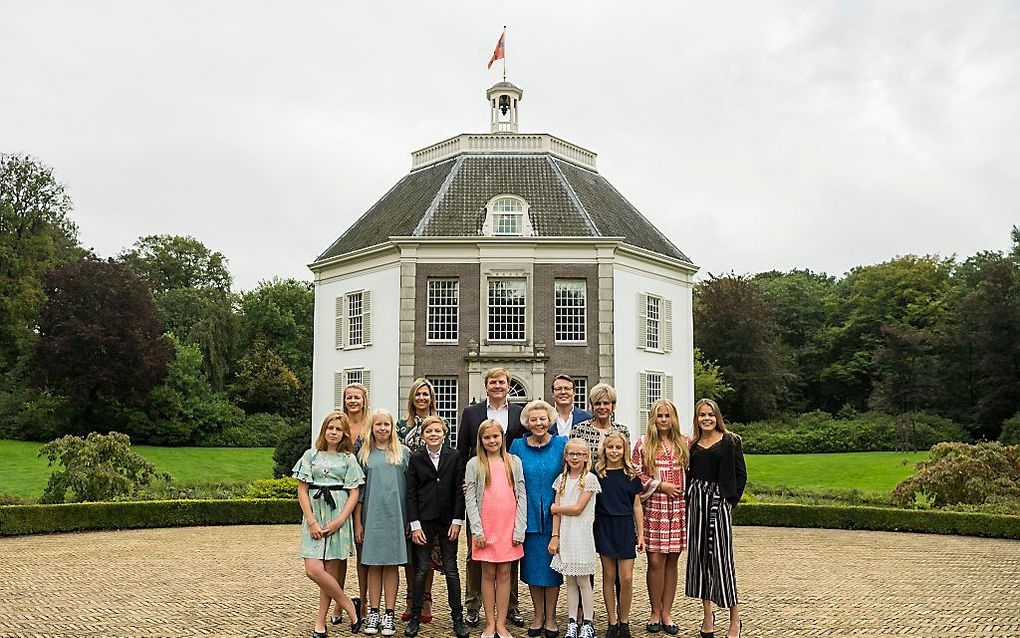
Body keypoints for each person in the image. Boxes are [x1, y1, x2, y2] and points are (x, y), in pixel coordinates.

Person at [457, 368, 527, 628]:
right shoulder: (472, 413)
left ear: (508, 385)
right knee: (476, 554)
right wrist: (466, 483)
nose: (498, 386)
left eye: (502, 382)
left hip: (507, 493)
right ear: (486, 386)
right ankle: (473, 605)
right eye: (493, 382)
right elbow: (463, 448)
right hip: (480, 492)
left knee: (510, 556)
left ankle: (511, 606)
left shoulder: (521, 413)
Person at [293, 411, 365, 638]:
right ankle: (350, 606)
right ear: (324, 430)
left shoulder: (348, 459)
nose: (333, 432)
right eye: (330, 428)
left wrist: (341, 520)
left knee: (331, 573)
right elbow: (302, 490)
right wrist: (312, 521)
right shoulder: (310, 455)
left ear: (344, 433)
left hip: (338, 515)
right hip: (315, 515)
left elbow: (354, 493)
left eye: (338, 429)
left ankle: (320, 621)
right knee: (314, 569)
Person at [685, 399, 746, 638]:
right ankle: (708, 615)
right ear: (697, 418)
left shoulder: (730, 441)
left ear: (717, 416)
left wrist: (730, 502)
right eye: (702, 415)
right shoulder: (693, 445)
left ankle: (735, 618)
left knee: (722, 561)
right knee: (700, 560)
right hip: (697, 503)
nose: (706, 419)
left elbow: (741, 475)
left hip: (719, 503)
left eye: (710, 414)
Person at [404, 415, 469, 638]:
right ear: (423, 435)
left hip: (448, 521)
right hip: (423, 521)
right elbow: (411, 494)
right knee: (421, 570)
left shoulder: (455, 456)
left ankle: (457, 618)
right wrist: (414, 525)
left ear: (444, 434)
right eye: (429, 431)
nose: (433, 434)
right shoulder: (416, 458)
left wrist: (457, 521)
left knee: (451, 569)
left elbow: (460, 491)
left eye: (437, 431)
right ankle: (415, 616)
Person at [509, 400, 567, 638]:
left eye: (542, 418)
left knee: (552, 571)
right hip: (528, 516)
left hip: (556, 518)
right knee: (533, 570)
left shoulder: (562, 444)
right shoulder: (516, 446)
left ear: (550, 420)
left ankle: (552, 618)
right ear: (527, 422)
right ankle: (537, 616)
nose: (538, 423)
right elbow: (507, 477)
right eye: (533, 419)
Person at [464, 420, 527, 638]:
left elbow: (521, 496)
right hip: (486, 529)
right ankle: (489, 623)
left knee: (504, 574)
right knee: (487, 574)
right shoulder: (474, 464)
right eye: (487, 437)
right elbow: (470, 499)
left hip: (508, 528)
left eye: (495, 436)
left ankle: (501, 623)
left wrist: (520, 529)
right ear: (481, 440)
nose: (492, 441)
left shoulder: (514, 462)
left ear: (502, 437)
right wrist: (477, 530)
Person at [632, 399, 690, 635]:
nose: (664, 420)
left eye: (667, 416)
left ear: (674, 418)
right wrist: (660, 485)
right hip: (654, 507)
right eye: (659, 416)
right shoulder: (643, 444)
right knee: (655, 560)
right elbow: (636, 477)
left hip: (678, 508)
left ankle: (667, 612)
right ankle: (654, 611)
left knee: (672, 560)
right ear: (653, 418)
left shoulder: (684, 443)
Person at [355, 409, 411, 637]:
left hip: (397, 516)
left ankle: (389, 613)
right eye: (378, 424)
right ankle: (374, 611)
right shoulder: (364, 455)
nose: (382, 428)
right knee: (373, 565)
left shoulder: (403, 454)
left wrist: (411, 520)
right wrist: (358, 523)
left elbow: (411, 491)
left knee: (392, 565)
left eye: (386, 424)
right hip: (372, 516)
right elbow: (358, 492)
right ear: (372, 427)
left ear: (392, 427)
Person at [396, 378, 441, 623]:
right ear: (412, 398)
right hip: (408, 491)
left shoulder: (438, 424)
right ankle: (410, 597)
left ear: (431, 398)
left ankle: (426, 598)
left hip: (431, 494)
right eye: (418, 394)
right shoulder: (401, 426)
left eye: (426, 394)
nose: (422, 398)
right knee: (410, 551)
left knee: (429, 549)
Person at [549, 438, 601, 638]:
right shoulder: (561, 480)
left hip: (582, 536)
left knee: (583, 581)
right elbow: (557, 515)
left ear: (586, 456)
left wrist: (556, 508)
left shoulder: (589, 480)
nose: (575, 457)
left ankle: (588, 622)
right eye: (571, 453)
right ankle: (572, 621)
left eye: (579, 454)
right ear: (566, 456)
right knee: (570, 580)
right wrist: (555, 536)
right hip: (566, 536)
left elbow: (578, 508)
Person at [594, 431, 644, 638]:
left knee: (627, 577)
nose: (614, 451)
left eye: (618, 448)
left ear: (624, 450)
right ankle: (612, 621)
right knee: (608, 575)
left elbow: (637, 506)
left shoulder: (631, 475)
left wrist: (640, 534)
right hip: (604, 526)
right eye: (610, 447)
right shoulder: (598, 474)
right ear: (604, 449)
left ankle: (625, 620)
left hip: (624, 527)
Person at [336, 382, 371, 622]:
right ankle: (339, 602)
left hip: (366, 492)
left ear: (364, 400)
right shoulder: (338, 424)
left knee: (362, 553)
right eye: (349, 397)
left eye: (357, 397)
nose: (353, 401)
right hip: (341, 493)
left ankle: (364, 602)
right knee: (337, 555)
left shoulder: (371, 425)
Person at [571, 383, 630, 461]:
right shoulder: (579, 430)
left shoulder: (622, 430)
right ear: (592, 406)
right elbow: (572, 458)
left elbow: (627, 459)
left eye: (606, 403)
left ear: (613, 406)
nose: (602, 407)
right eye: (597, 403)